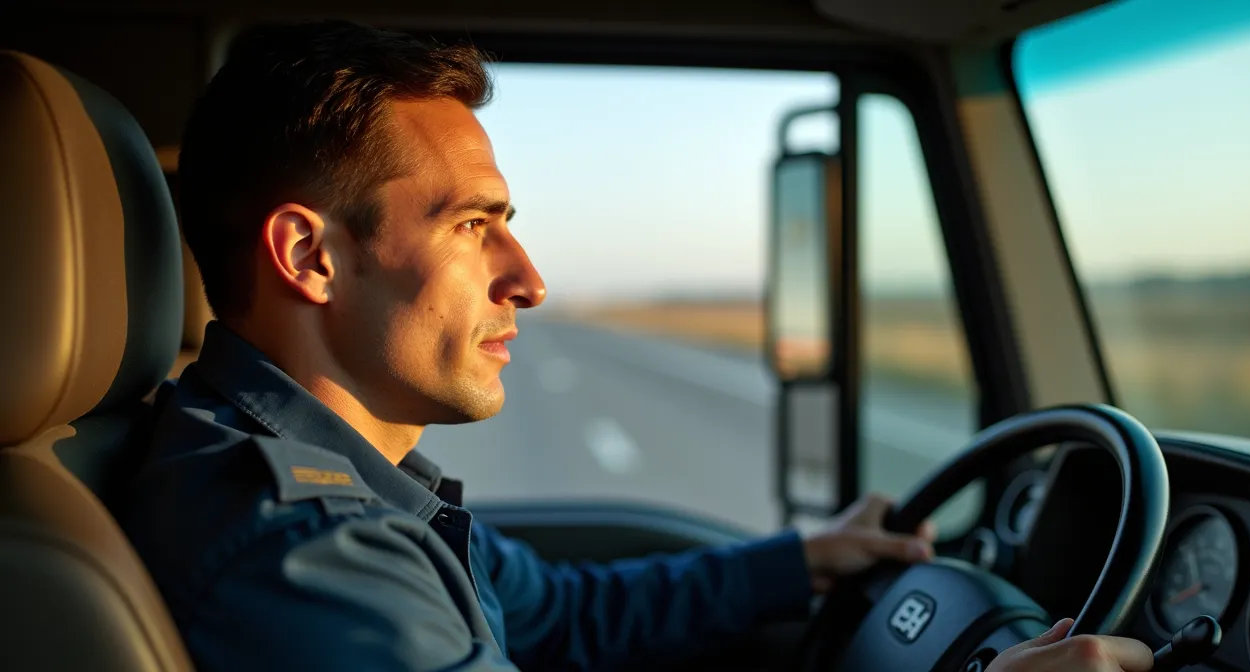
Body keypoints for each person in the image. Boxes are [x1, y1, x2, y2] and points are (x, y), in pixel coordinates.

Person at [116, 20, 1153, 672]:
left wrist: (803, 559)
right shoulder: (304, 552)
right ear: (310, 255)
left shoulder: (347, 486)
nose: (528, 279)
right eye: (472, 225)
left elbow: (562, 612)